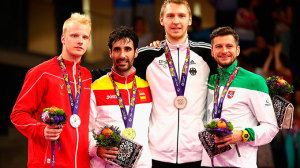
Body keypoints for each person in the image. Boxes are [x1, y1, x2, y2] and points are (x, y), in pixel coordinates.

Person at [134, 0, 217, 167]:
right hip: (157, 152)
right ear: (161, 20)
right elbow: (115, 72)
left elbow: (232, 76)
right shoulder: (146, 57)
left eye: (181, 15)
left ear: (190, 20)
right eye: (170, 16)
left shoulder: (208, 54)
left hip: (198, 152)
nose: (176, 21)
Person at [10, 13, 92, 168]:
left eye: (85, 37)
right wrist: (42, 130)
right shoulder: (42, 72)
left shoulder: (87, 76)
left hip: (82, 163)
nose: (80, 41)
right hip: (49, 163)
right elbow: (18, 115)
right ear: (63, 38)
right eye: (74, 35)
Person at [202, 26, 279, 167]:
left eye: (229, 46)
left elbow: (271, 127)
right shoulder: (208, 80)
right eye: (219, 46)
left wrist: (243, 135)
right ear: (212, 52)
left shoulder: (254, 81)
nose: (224, 51)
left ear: (237, 50)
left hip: (239, 164)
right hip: (208, 163)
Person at [89, 26, 152, 167]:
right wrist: (95, 149)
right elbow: (85, 130)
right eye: (117, 49)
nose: (122, 55)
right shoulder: (96, 87)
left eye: (128, 49)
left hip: (141, 164)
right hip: (104, 164)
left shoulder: (148, 87)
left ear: (136, 52)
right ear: (110, 53)